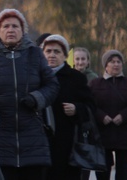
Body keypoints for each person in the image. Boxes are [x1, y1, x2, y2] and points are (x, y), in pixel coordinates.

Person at [0, 9, 59, 180]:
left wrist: (37, 98)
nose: (11, 30)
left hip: (32, 137)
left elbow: (52, 85)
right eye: (6, 26)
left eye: (15, 26)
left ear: (23, 31)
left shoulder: (35, 54)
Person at [41, 34, 96, 180]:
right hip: (39, 143)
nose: (52, 55)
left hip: (67, 144)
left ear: (65, 55)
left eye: (57, 51)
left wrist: (77, 109)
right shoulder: (36, 76)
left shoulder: (76, 78)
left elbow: (90, 107)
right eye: (48, 51)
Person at [89, 49, 127, 180]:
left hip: (124, 132)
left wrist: (124, 115)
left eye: (118, 62)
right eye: (112, 62)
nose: (116, 64)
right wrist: (101, 116)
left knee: (123, 171)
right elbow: (89, 105)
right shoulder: (95, 84)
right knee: (102, 170)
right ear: (105, 65)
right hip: (102, 133)